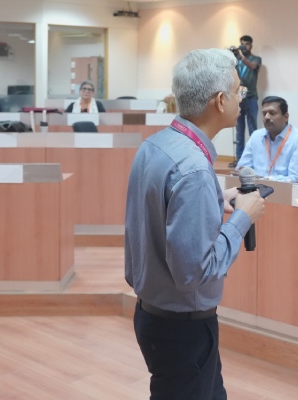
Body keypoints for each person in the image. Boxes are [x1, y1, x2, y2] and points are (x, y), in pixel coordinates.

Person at [125, 48, 265, 400]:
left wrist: (216, 200)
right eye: (238, 91)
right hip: (182, 328)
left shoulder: (155, 145)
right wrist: (242, 219)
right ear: (220, 101)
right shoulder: (194, 169)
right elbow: (194, 272)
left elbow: (162, 213)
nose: (242, 97)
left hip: (153, 314)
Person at [236, 96, 298, 184]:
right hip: (259, 189)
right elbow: (242, 169)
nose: (266, 117)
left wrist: (264, 180)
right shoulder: (256, 136)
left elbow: (295, 179)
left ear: (286, 116)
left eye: (272, 113)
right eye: (264, 113)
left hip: (293, 190)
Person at [230, 35, 261, 168]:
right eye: (242, 44)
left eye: (247, 44)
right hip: (240, 94)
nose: (244, 47)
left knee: (253, 129)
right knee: (239, 129)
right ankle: (239, 160)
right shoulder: (237, 61)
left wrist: (242, 57)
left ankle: (255, 159)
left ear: (251, 45)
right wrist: (232, 58)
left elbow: (252, 66)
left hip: (252, 95)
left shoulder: (256, 59)